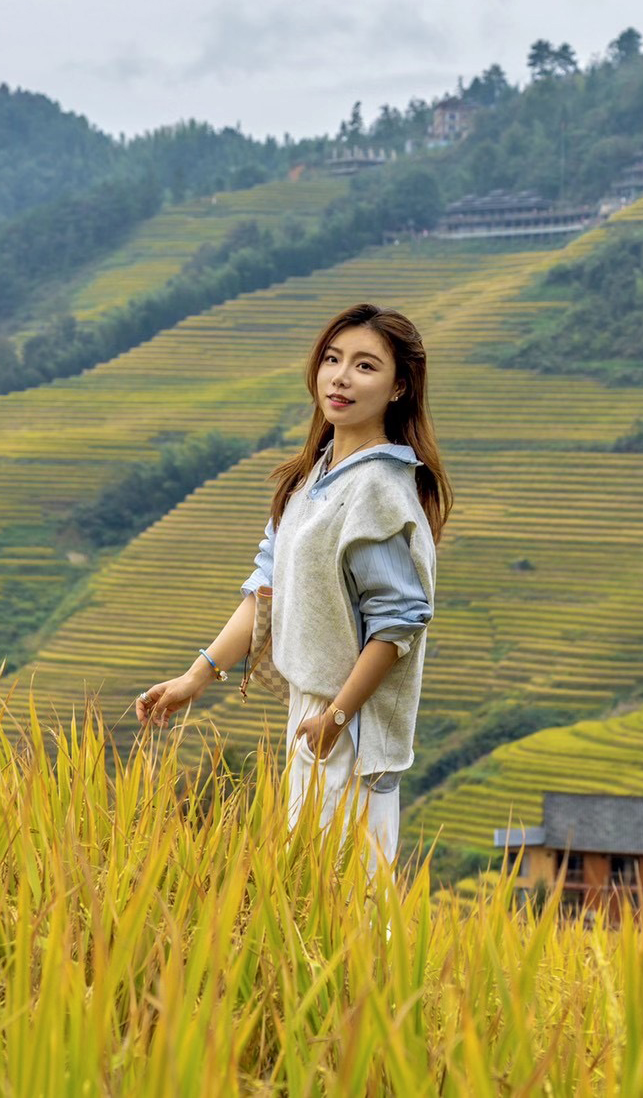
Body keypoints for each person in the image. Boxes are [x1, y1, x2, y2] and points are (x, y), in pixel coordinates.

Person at [135, 301, 452, 875]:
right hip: (316, 718)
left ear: (399, 387)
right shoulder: (313, 476)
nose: (341, 377)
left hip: (350, 728)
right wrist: (196, 676)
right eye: (333, 359)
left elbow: (398, 622)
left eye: (365, 365)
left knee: (345, 901)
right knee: (306, 895)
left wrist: (336, 719)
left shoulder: (377, 490)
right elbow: (268, 587)